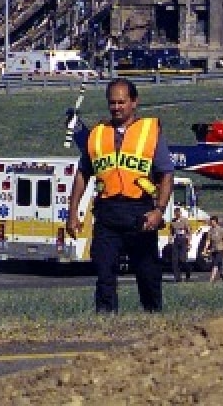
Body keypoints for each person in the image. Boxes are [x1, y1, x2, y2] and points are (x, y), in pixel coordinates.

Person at [67, 77, 175, 313]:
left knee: (147, 273)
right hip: (108, 212)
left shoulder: (149, 132)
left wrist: (159, 210)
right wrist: (72, 212)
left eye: (121, 102)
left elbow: (166, 174)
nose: (116, 107)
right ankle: (106, 319)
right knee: (104, 271)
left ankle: (153, 315)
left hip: (141, 211)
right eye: (112, 103)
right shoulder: (96, 134)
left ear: (134, 102)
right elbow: (82, 174)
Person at [170, 206, 193, 282]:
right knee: (174, 260)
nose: (177, 215)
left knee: (182, 260)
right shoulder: (173, 221)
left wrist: (189, 243)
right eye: (175, 213)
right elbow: (172, 232)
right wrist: (170, 240)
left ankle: (188, 272)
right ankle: (177, 278)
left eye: (178, 213)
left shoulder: (184, 220)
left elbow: (189, 232)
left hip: (183, 239)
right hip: (176, 240)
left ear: (180, 213)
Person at [205, 215, 223, 282]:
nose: (211, 223)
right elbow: (208, 240)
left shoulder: (221, 230)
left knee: (215, 264)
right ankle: (222, 274)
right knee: (218, 264)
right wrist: (205, 249)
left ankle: (211, 279)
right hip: (213, 250)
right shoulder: (210, 230)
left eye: (213, 222)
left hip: (220, 249)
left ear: (216, 222)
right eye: (211, 222)